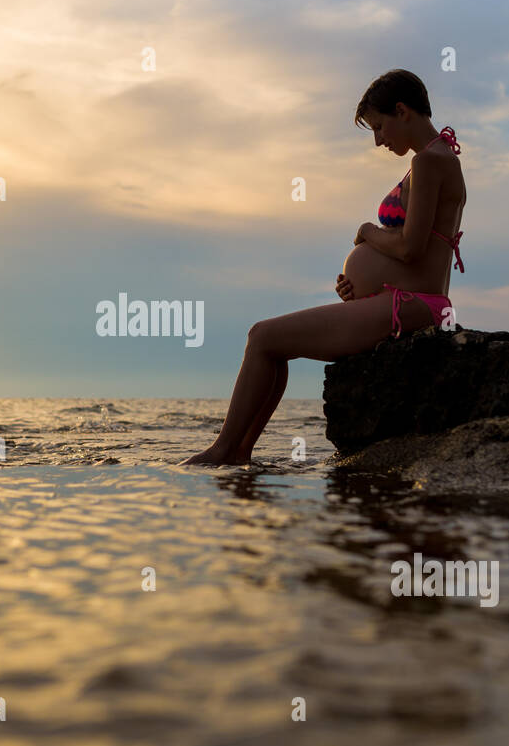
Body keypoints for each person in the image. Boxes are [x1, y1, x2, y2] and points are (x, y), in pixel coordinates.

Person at [183, 69, 467, 465]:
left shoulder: (430, 162)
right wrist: (361, 286)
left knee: (262, 337)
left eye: (379, 127)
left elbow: (410, 249)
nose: (378, 140)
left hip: (414, 305)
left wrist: (367, 232)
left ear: (402, 111)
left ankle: (225, 450)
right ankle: (238, 452)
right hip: (403, 300)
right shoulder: (436, 158)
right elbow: (409, 255)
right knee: (272, 346)